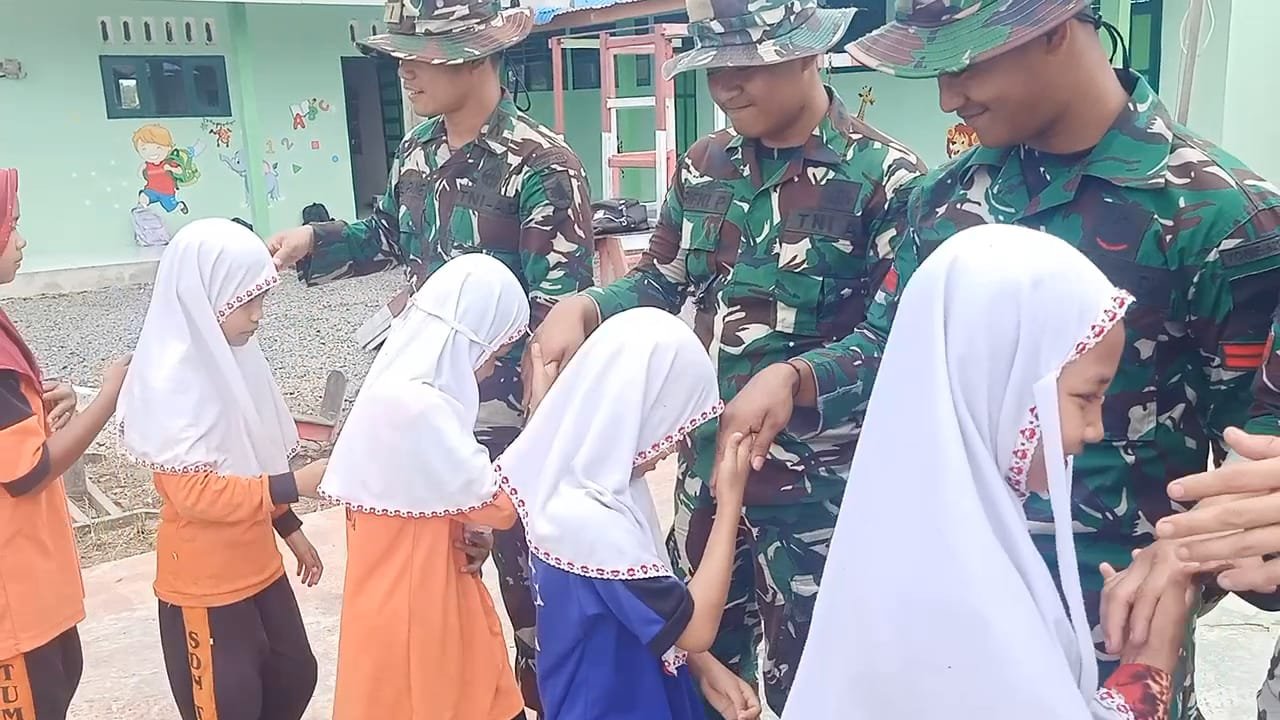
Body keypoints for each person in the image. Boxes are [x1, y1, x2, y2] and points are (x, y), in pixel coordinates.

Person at [721, 1, 1280, 715]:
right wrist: (799, 375)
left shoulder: (1222, 220)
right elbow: (892, 346)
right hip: (946, 620)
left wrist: (1185, 563)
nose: (947, 98)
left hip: (1108, 623)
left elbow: (1255, 462)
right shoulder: (944, 200)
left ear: (1055, 28)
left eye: (963, 64)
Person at [528, 0, 924, 709]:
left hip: (819, 495)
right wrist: (585, 307)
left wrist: (798, 377)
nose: (727, 86)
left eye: (748, 65)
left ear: (810, 54)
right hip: (710, 475)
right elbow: (661, 281)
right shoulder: (705, 165)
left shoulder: (886, 179)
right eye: (714, 67)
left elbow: (895, 340)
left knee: (821, 681)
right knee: (697, 665)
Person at [267, 1, 594, 707]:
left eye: (421, 56)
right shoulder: (417, 150)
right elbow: (388, 235)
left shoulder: (542, 166)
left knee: (535, 603)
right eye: (400, 56)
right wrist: (316, 241)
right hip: (426, 419)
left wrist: (530, 449)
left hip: (508, 424)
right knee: (443, 606)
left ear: (476, 55)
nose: (405, 71)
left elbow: (557, 317)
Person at [785, 224, 1194, 720]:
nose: (1094, 430)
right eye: (1086, 397)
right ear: (1001, 381)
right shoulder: (955, 591)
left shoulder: (923, 532)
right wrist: (1150, 663)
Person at [498, 308, 760, 720]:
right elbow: (695, 629)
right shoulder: (593, 522)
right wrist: (729, 503)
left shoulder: (574, 486)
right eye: (670, 425)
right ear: (632, 414)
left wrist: (704, 667)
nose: (671, 446)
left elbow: (644, 607)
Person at [119, 218, 326, 720]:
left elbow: (250, 456)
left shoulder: (238, 360)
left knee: (294, 673)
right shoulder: (170, 382)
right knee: (227, 704)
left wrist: (288, 527)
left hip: (258, 565)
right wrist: (294, 485)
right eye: (246, 301)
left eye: (262, 299)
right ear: (203, 297)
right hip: (205, 585)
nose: (258, 316)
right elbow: (195, 496)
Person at [315, 254, 531, 720]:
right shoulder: (419, 407)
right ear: (468, 340)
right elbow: (499, 506)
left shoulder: (399, 390)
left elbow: (442, 497)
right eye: (494, 354)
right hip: (419, 611)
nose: (490, 370)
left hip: (415, 591)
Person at [0, 169, 130, 720]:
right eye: (11, 225)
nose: (22, 241)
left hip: (33, 585)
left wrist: (45, 403)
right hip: (13, 605)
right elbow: (25, 471)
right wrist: (109, 397)